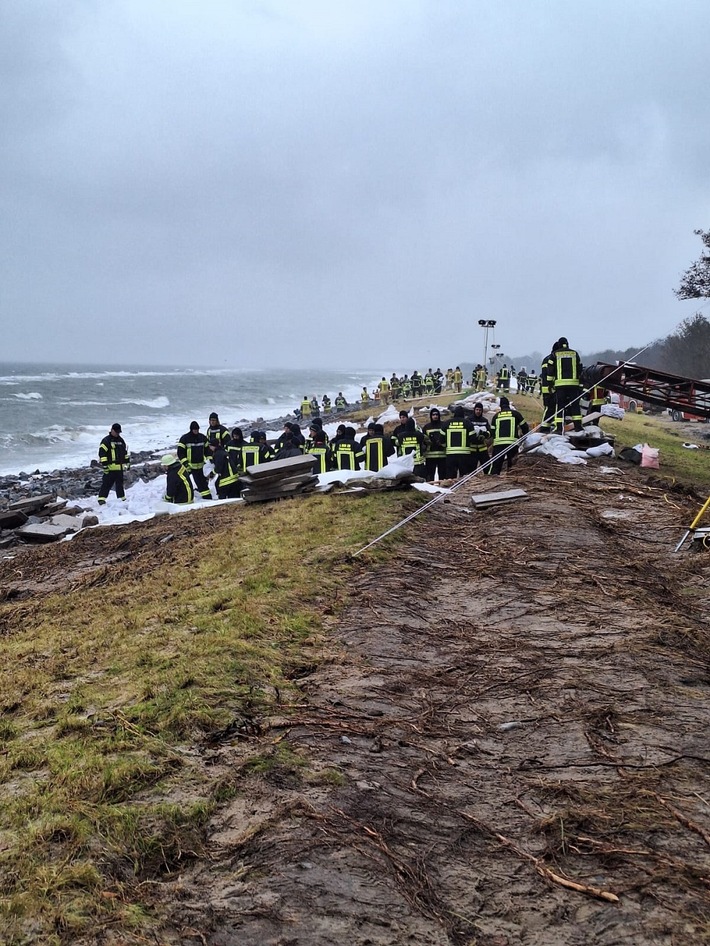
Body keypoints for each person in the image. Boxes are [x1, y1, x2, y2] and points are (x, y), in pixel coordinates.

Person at [551, 337, 583, 433]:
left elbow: (550, 370)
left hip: (560, 386)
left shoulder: (555, 354)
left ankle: (559, 428)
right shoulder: (575, 353)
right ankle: (578, 427)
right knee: (575, 405)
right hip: (574, 385)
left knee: (560, 406)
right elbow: (579, 368)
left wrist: (549, 384)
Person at [490, 396, 529, 475]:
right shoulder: (515, 414)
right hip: (512, 443)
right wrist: (523, 436)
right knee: (512, 464)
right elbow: (525, 426)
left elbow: (492, 432)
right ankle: (511, 479)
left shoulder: (496, 416)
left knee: (496, 465)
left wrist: (496, 439)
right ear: (508, 404)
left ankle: (492, 480)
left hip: (499, 444)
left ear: (500, 406)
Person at [177, 421, 211, 499]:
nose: (196, 431)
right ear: (191, 429)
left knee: (202, 485)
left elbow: (208, 450)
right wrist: (186, 464)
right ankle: (178, 496)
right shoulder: (184, 439)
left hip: (200, 466)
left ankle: (208, 499)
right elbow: (180, 453)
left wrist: (209, 460)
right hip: (188, 466)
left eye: (197, 430)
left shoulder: (202, 438)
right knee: (181, 481)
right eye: (195, 430)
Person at [98, 423, 130, 504]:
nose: (117, 434)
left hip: (119, 467)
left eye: (119, 432)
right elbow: (102, 454)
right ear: (112, 430)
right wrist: (105, 466)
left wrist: (127, 463)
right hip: (110, 467)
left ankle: (122, 499)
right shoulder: (106, 441)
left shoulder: (121, 440)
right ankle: (101, 499)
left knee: (120, 485)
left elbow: (125, 453)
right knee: (106, 484)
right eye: (116, 432)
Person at [444, 406, 472, 479]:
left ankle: (450, 489)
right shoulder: (467, 423)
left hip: (450, 454)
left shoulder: (447, 423)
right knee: (464, 477)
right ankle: (464, 490)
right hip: (464, 454)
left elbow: (441, 439)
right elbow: (473, 437)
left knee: (450, 477)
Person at [422, 407, 447, 482]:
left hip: (442, 455)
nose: (435, 416)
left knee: (442, 475)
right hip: (430, 455)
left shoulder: (444, 425)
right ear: (431, 416)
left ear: (439, 415)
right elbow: (423, 440)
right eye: (433, 415)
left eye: (436, 414)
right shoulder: (426, 427)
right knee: (430, 475)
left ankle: (443, 488)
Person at [469, 402, 492, 472]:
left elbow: (490, 432)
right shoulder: (469, 420)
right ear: (474, 410)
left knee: (488, 467)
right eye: (477, 410)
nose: (478, 411)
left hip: (482, 449)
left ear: (482, 411)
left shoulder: (484, 421)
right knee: (471, 469)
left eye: (480, 410)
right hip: (472, 449)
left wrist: (485, 434)